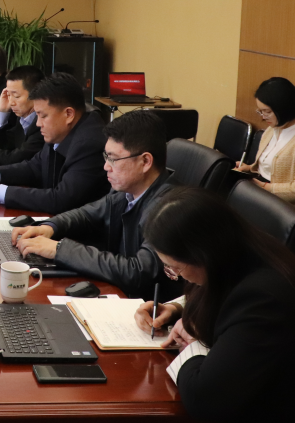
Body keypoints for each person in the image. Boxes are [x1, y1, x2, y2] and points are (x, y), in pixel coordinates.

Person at [132, 187, 295, 423]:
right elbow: (213, 291)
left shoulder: (263, 299)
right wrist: (176, 309)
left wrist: (193, 346)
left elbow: (204, 400)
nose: (177, 276)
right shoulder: (239, 249)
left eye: (175, 268)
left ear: (202, 255)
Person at [9, 110, 180, 300]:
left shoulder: (170, 210)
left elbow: (137, 271)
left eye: (113, 159)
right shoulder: (127, 191)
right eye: (106, 157)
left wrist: (59, 250)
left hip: (145, 309)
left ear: (145, 161)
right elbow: (87, 214)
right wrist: (49, 227)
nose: (106, 166)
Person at [0, 73, 109, 214]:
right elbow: (35, 167)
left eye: (43, 116)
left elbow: (62, 199)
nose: (38, 123)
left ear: (68, 114)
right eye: (37, 115)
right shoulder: (60, 130)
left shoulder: (89, 144)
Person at [235, 77, 295, 220]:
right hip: (266, 196)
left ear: (284, 109)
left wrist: (263, 188)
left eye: (267, 112)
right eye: (260, 111)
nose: (263, 117)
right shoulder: (273, 128)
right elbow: (271, 168)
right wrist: (249, 169)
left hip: (291, 212)